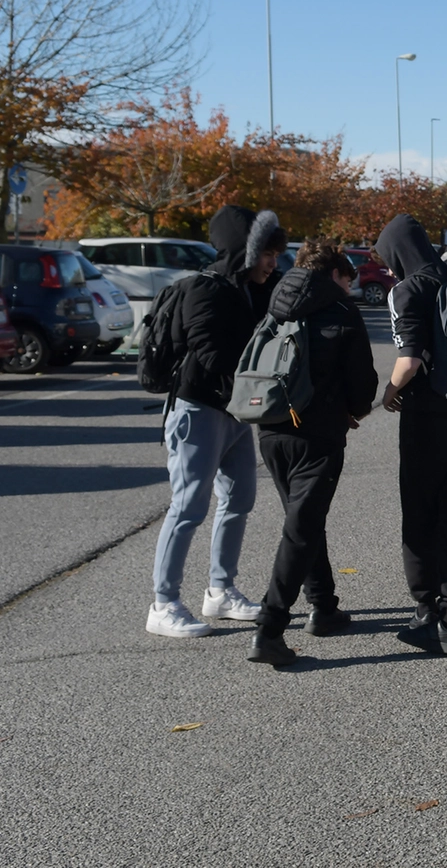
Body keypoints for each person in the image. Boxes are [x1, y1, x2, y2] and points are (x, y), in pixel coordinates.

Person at [147, 206, 286, 638]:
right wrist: (255, 381)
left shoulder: (250, 290)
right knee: (188, 507)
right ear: (244, 250)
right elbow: (210, 354)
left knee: (240, 499)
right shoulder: (204, 290)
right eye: (266, 252)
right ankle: (163, 603)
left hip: (234, 412)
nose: (273, 262)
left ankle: (220, 591)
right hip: (198, 411)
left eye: (276, 253)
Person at [246, 240, 379, 666]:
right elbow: (362, 384)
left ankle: (322, 605)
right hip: (317, 434)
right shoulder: (340, 310)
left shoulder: (275, 304)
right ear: (336, 274)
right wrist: (352, 410)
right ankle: (270, 629)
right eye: (347, 279)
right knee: (300, 529)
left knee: (303, 520)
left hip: (270, 429)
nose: (349, 287)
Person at [378, 214, 447, 656]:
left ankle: (426, 613)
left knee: (421, 515)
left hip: (426, 419)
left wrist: (388, 393)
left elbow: (409, 360)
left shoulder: (408, 289)